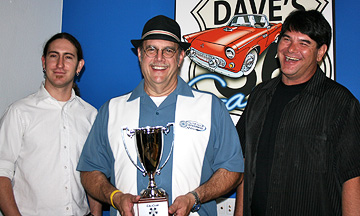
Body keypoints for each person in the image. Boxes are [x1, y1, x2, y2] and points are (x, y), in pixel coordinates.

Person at [77, 15, 244, 216]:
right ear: (139, 54)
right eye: (151, 49)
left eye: (168, 50)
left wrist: (195, 197)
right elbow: (89, 171)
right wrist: (115, 197)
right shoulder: (111, 110)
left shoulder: (211, 107)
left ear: (180, 57)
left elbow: (232, 169)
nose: (159, 58)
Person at [235, 9, 360, 215]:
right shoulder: (259, 95)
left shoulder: (341, 103)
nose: (291, 49)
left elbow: (353, 176)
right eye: (287, 39)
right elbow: (244, 163)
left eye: (304, 43)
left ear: (320, 52)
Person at [0, 33, 102, 215]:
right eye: (53, 56)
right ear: (43, 62)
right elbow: (1, 173)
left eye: (68, 57)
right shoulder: (19, 112)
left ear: (79, 66)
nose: (60, 64)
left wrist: (96, 213)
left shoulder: (91, 115)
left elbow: (93, 172)